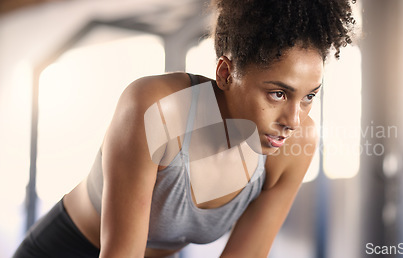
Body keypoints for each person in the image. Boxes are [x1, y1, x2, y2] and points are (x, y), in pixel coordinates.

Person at [14, 0, 355, 257]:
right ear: (225, 73)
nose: (293, 120)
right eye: (277, 93)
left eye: (309, 96)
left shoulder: (297, 143)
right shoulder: (156, 109)